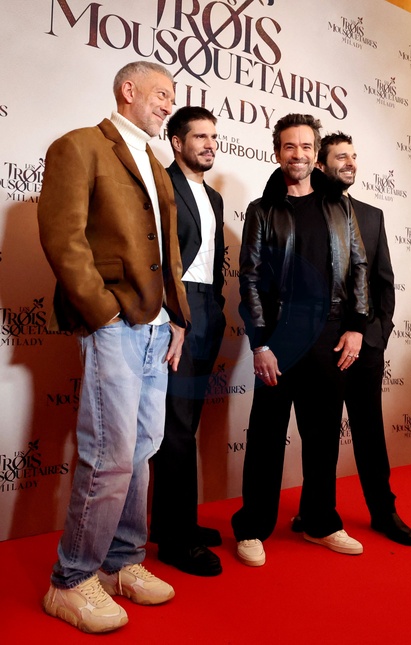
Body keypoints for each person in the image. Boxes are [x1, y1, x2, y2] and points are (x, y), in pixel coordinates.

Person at [37, 61, 190, 633]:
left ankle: (121, 563)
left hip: (157, 326)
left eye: (171, 96)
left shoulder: (155, 161)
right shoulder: (79, 146)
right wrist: (103, 312)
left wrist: (177, 317)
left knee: (143, 448)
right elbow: (63, 238)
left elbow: (168, 250)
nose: (168, 105)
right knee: (109, 452)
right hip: (114, 324)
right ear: (129, 90)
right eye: (161, 94)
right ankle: (71, 580)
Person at [231, 113, 369, 567]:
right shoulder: (263, 210)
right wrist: (260, 343)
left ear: (316, 154)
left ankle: (320, 522)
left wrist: (356, 326)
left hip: (330, 332)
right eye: (289, 146)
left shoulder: (339, 207)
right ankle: (253, 527)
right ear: (277, 153)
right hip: (280, 335)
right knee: (267, 435)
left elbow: (359, 267)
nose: (299, 154)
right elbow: (250, 279)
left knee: (323, 433)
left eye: (306, 146)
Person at [292, 132, 411, 546]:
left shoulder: (371, 215)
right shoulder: (305, 212)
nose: (350, 163)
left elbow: (384, 284)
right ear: (321, 165)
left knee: (369, 433)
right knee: (319, 434)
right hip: (321, 343)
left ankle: (384, 511)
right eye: (340, 157)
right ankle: (314, 509)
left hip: (365, 346)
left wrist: (372, 335)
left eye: (354, 156)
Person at [150, 106, 226, 576]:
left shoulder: (214, 197)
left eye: (214, 137)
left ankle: (172, 524)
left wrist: (214, 306)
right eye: (200, 136)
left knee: (186, 423)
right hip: (176, 310)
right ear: (177, 142)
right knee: (176, 427)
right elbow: (154, 255)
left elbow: (213, 261)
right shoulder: (160, 184)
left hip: (209, 311)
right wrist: (172, 314)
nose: (209, 144)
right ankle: (177, 542)